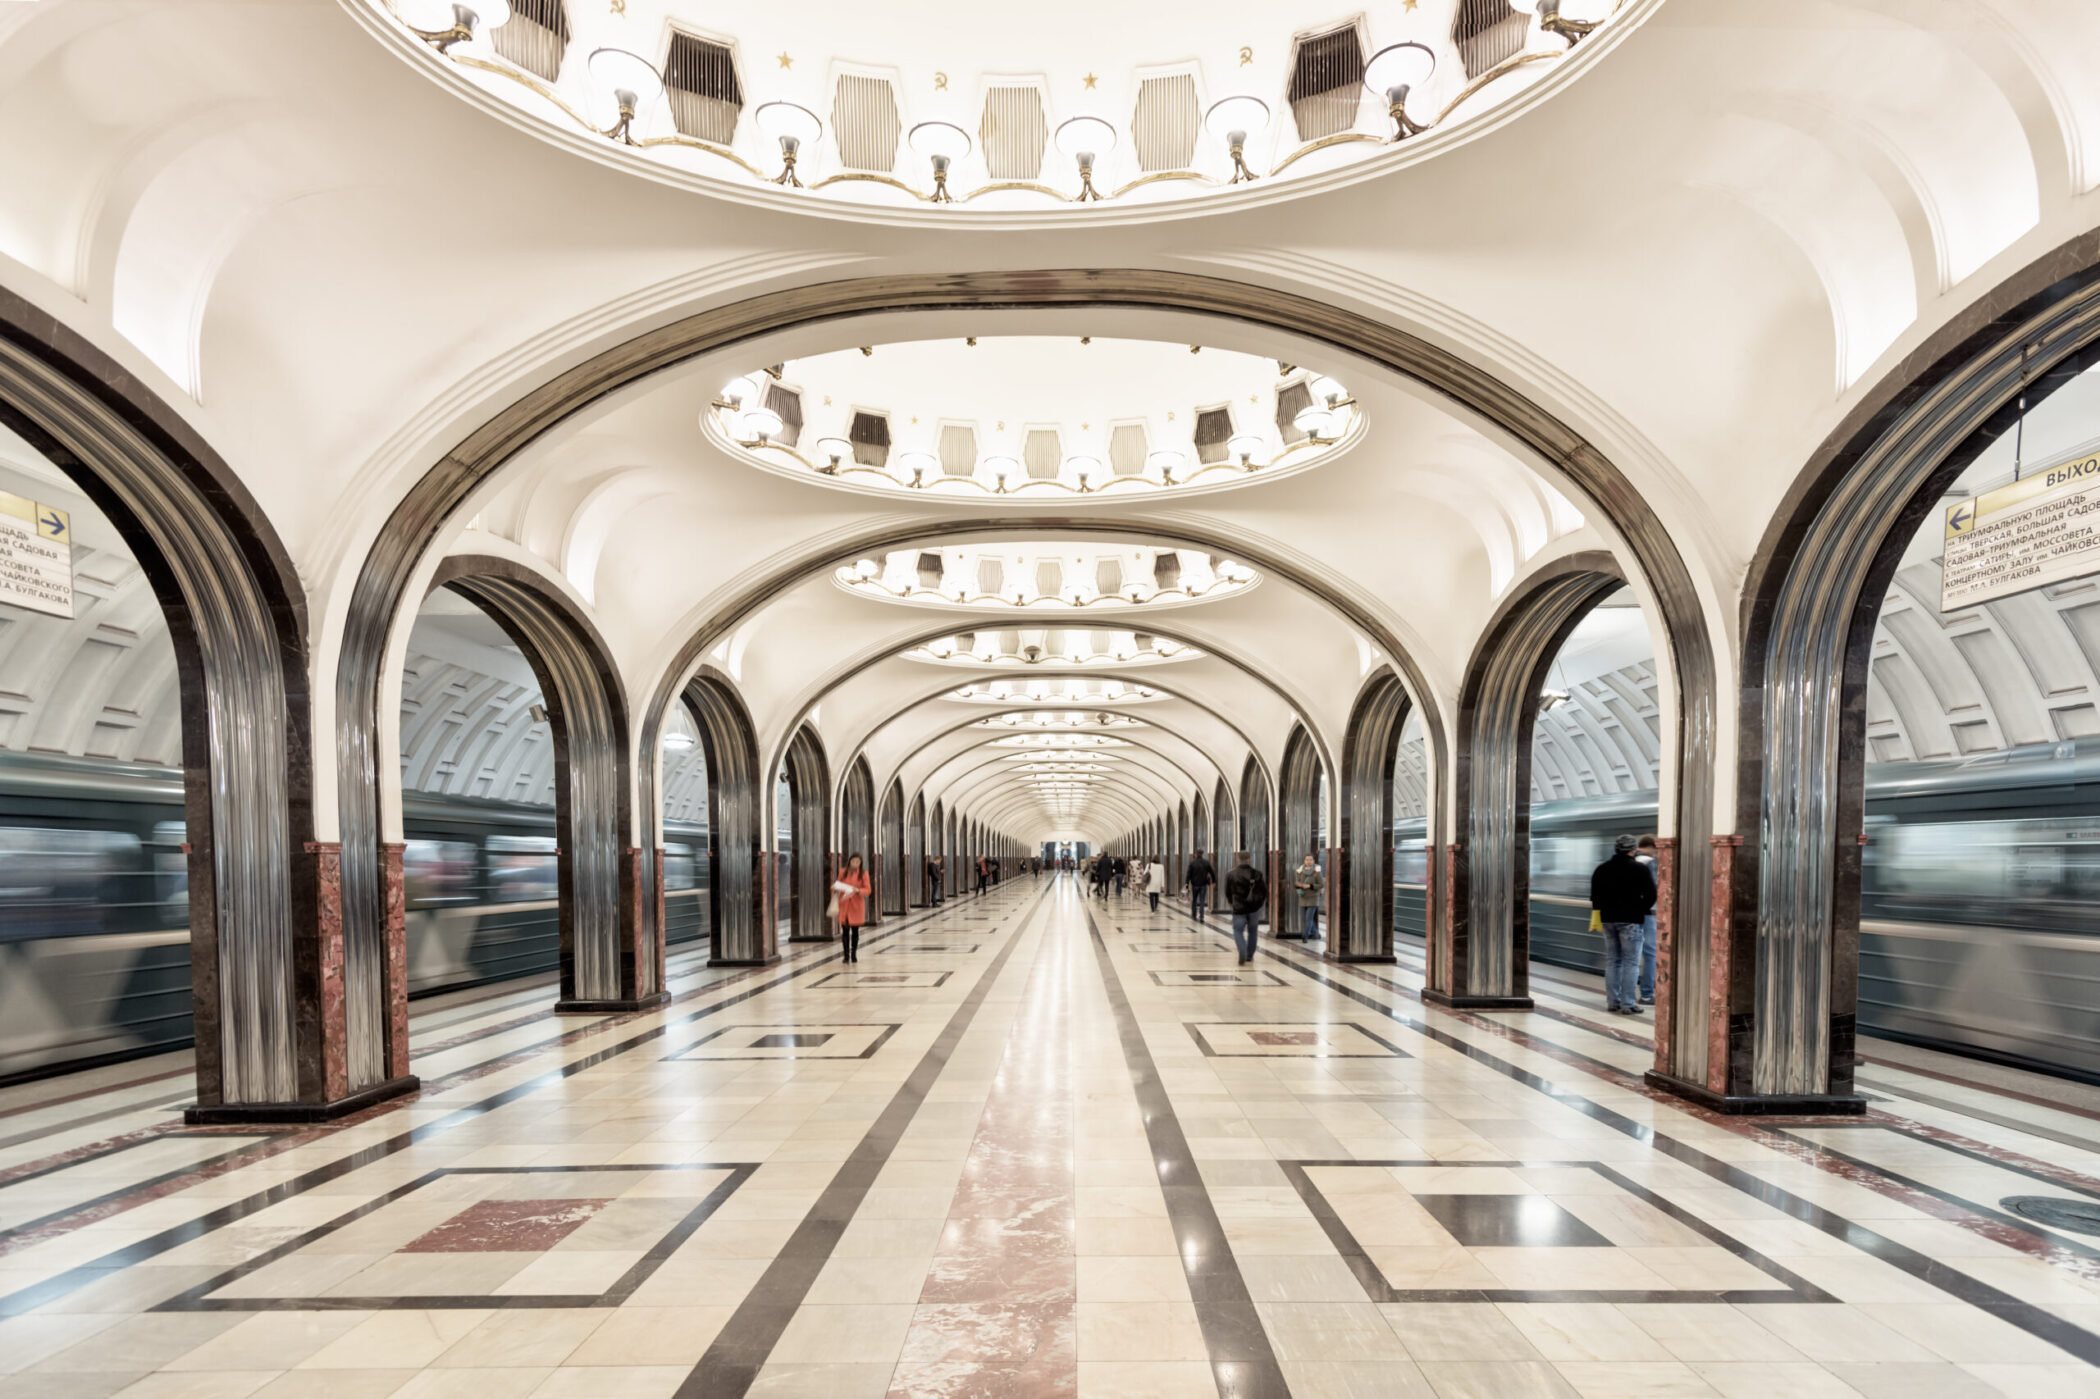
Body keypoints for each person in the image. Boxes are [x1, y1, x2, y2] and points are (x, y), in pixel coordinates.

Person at [1590, 834, 1657, 1015]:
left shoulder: (1602, 869)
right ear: (1632, 849)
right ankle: (1628, 1003)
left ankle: (1613, 1002)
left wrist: (1605, 911)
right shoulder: (1640, 869)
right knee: (1631, 962)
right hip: (1632, 921)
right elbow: (1651, 895)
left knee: (1613, 961)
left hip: (1608, 920)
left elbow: (1594, 897)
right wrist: (1639, 908)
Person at [1224, 852, 1268, 965]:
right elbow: (1264, 891)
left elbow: (1227, 892)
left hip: (1238, 908)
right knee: (1253, 931)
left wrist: (1231, 902)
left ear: (1238, 859)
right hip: (1253, 908)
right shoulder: (1257, 874)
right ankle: (1249, 956)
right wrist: (1259, 904)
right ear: (1249, 859)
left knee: (1238, 930)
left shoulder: (1231, 874)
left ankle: (1242, 950)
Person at [833, 853, 871, 963]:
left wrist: (858, 890)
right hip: (844, 904)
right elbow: (837, 885)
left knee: (855, 931)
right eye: (853, 861)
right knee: (845, 931)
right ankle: (846, 955)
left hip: (856, 906)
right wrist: (834, 887)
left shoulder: (863, 874)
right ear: (849, 861)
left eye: (858, 862)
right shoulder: (842, 872)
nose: (855, 864)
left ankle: (854, 954)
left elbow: (868, 890)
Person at [1635, 835, 1660, 1005]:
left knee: (1625, 956)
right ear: (1652, 847)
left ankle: (1622, 995)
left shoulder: (1630, 860)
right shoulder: (1650, 864)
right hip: (1647, 913)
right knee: (1651, 954)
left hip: (1628, 914)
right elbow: (1654, 890)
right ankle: (1646, 994)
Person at [1293, 853, 1324, 944]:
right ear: (1304, 861)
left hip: (1313, 898)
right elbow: (1297, 882)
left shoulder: (1316, 871)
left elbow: (1321, 884)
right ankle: (1316, 934)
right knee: (1304, 919)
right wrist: (1299, 885)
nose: (1309, 861)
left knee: (1309, 919)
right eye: (1307, 860)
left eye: (1310, 860)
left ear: (1313, 861)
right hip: (1302, 897)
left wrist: (1310, 886)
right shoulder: (1300, 871)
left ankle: (1305, 936)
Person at [1185, 849, 1215, 922]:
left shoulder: (1192, 863)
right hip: (1203, 884)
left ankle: (1194, 915)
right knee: (1202, 901)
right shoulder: (1206, 863)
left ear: (1196, 854)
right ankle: (1201, 917)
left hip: (1194, 884)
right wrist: (1214, 881)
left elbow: (1188, 875)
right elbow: (1212, 872)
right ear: (1202, 854)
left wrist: (1187, 884)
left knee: (1194, 900)